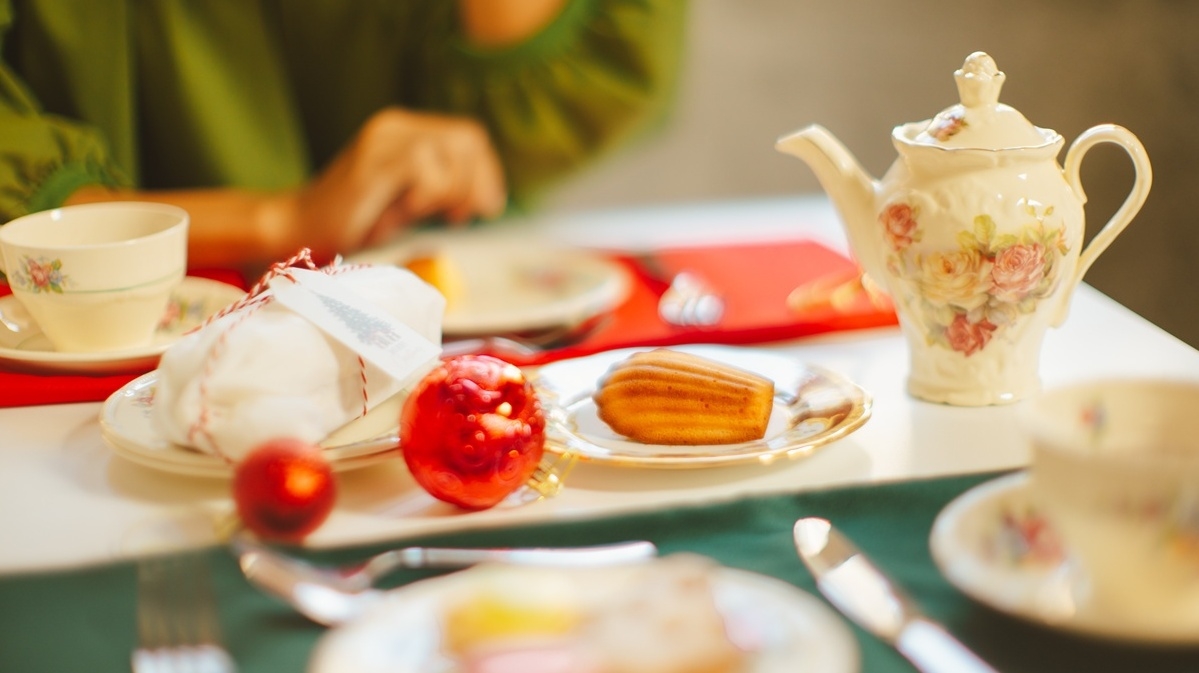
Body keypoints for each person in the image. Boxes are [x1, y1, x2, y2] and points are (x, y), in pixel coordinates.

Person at [0, 0, 687, 268]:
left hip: (437, 330)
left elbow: (543, 114)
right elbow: (27, 215)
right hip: (79, 375)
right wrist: (277, 219)